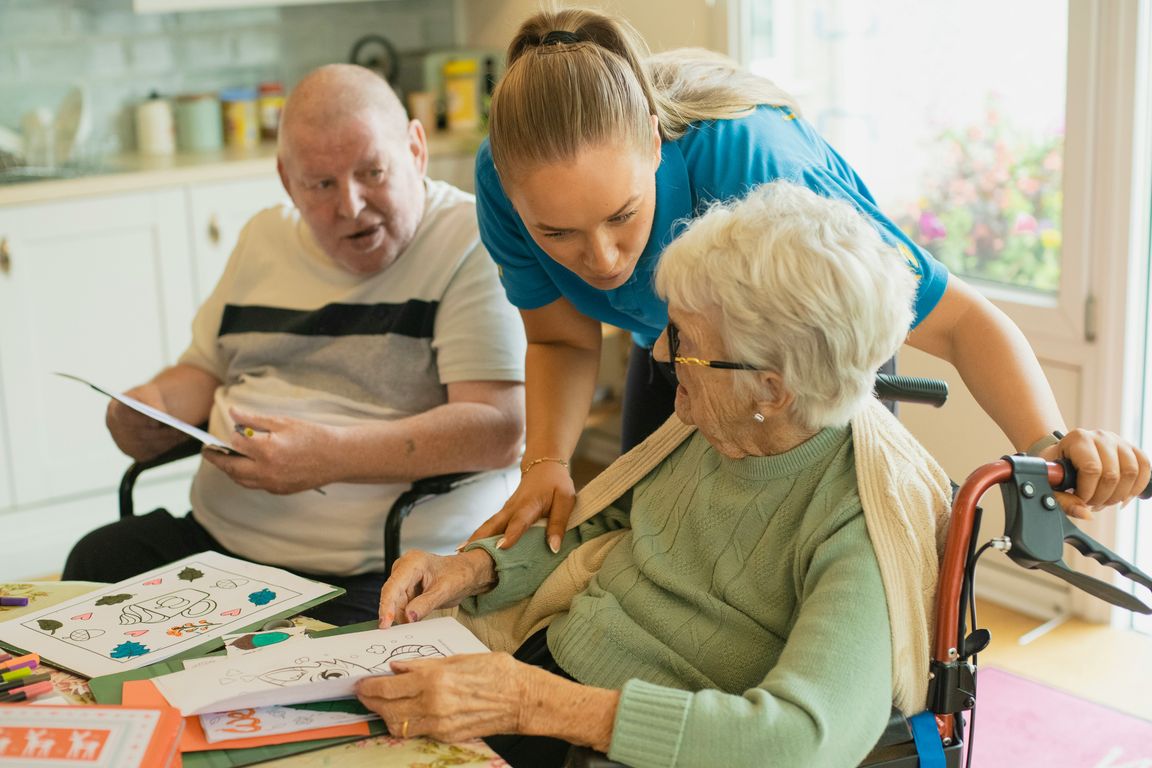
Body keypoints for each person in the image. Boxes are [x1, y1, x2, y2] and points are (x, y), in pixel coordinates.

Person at [468, 6, 1150, 554]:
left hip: (817, 332)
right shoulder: (505, 183)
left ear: (652, 141)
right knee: (647, 534)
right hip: (677, 342)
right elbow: (561, 341)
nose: (605, 259)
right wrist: (547, 463)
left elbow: (964, 322)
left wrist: (1045, 448)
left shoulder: (763, 175)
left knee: (818, 553)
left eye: (623, 216)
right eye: (557, 234)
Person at [355, 182, 966, 767]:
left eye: (685, 340)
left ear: (772, 390)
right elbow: (609, 523)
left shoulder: (861, 521)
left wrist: (531, 702)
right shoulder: (720, 427)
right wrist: (474, 568)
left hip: (620, 740)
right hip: (548, 674)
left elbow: (799, 742)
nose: (662, 357)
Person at [62, 64, 527, 626]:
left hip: (379, 567)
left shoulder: (469, 239)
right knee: (97, 561)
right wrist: (149, 408)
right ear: (287, 181)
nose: (351, 205)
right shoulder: (264, 236)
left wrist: (329, 457)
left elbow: (499, 428)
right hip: (218, 543)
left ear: (416, 149)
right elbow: (202, 371)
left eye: (372, 172)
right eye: (321, 184)